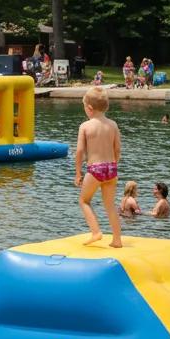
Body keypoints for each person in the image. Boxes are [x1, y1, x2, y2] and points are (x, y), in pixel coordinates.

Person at [75, 87, 123, 248]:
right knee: (110, 206)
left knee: (84, 200)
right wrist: (114, 164)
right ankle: (117, 240)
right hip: (111, 168)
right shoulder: (113, 125)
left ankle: (96, 232)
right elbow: (117, 149)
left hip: (95, 169)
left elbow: (80, 151)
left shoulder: (85, 126)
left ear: (89, 108)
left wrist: (77, 173)